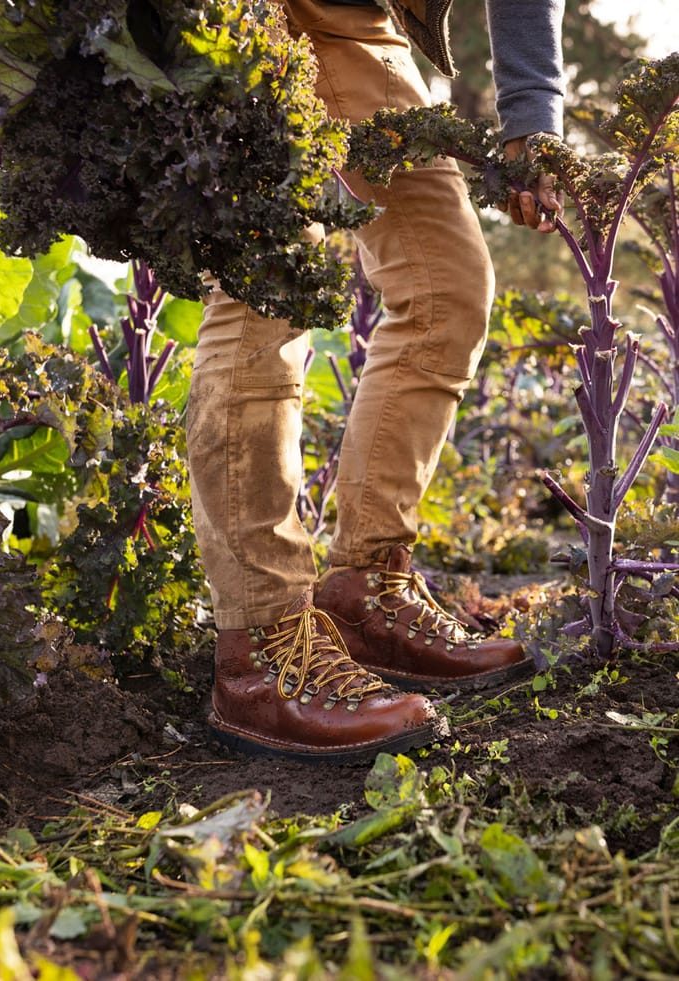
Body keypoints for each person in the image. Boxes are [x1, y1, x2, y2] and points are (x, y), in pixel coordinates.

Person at [186, 0, 566, 762]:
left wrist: (533, 109)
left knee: (445, 287)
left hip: (358, 21)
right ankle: (261, 648)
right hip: (238, 13)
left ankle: (367, 589)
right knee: (269, 284)